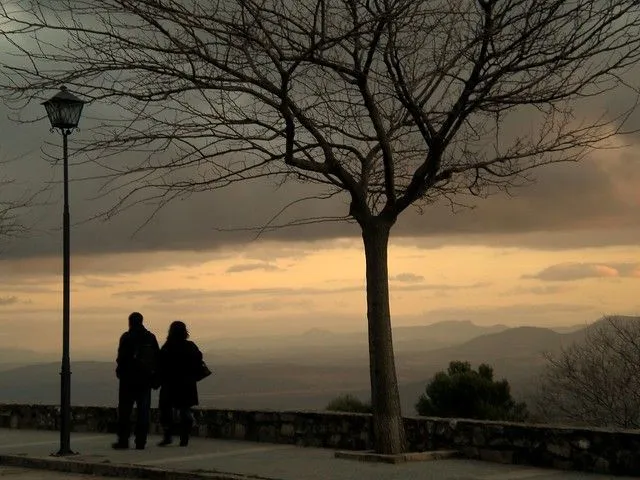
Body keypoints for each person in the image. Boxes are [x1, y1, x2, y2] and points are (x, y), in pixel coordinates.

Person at [112, 311, 160, 450]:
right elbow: (157, 359)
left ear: (130, 322)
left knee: (125, 411)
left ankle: (123, 441)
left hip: (128, 380)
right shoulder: (150, 338)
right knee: (143, 412)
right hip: (145, 380)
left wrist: (120, 372)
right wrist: (155, 378)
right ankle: (141, 442)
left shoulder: (126, 337)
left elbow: (121, 358)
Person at [157, 320, 203, 447]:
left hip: (170, 384)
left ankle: (167, 436)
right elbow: (199, 361)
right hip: (187, 384)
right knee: (185, 410)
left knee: (166, 410)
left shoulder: (167, 347)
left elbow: (160, 365)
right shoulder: (191, 346)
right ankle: (184, 437)